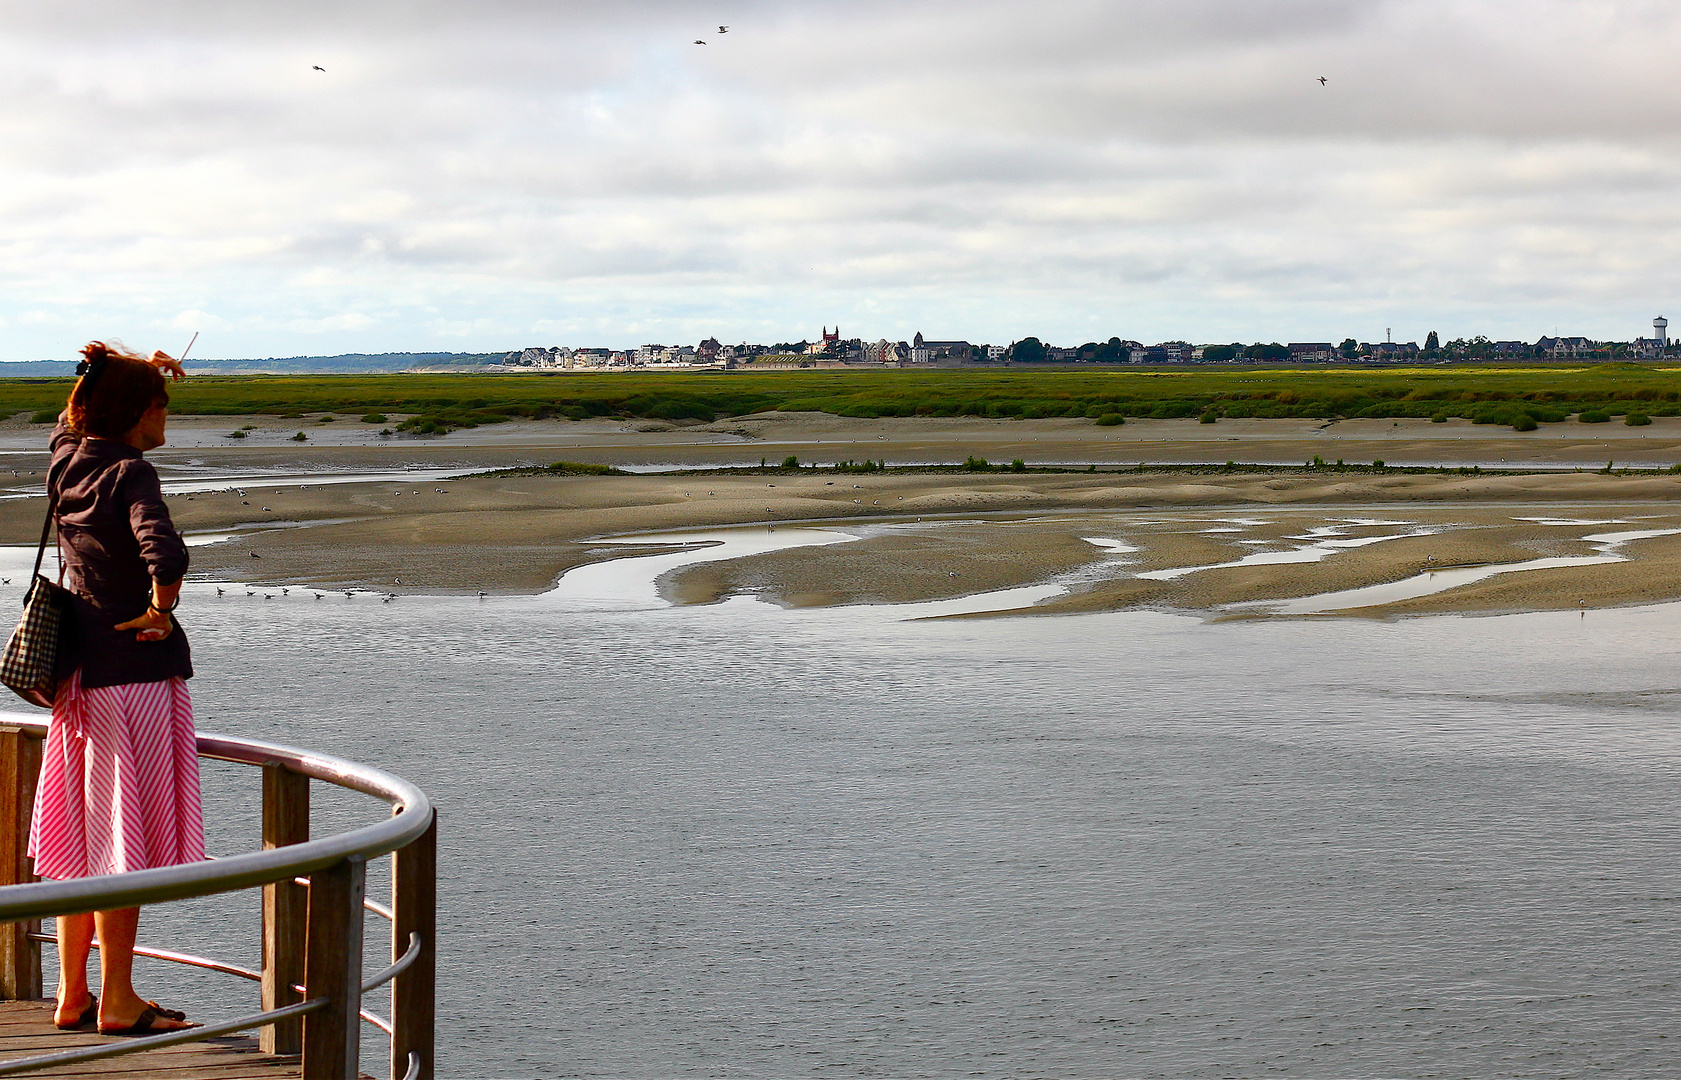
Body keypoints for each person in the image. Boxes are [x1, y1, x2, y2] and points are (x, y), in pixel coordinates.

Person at [30, 341, 201, 1036]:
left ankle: (75, 994)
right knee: (120, 851)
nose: (168, 415)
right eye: (163, 403)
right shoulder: (133, 471)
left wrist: (119, 368)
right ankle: (121, 1000)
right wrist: (162, 609)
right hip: (132, 681)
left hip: (78, 682)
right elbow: (164, 550)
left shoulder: (67, 459)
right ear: (138, 413)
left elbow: (70, 419)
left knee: (81, 847)